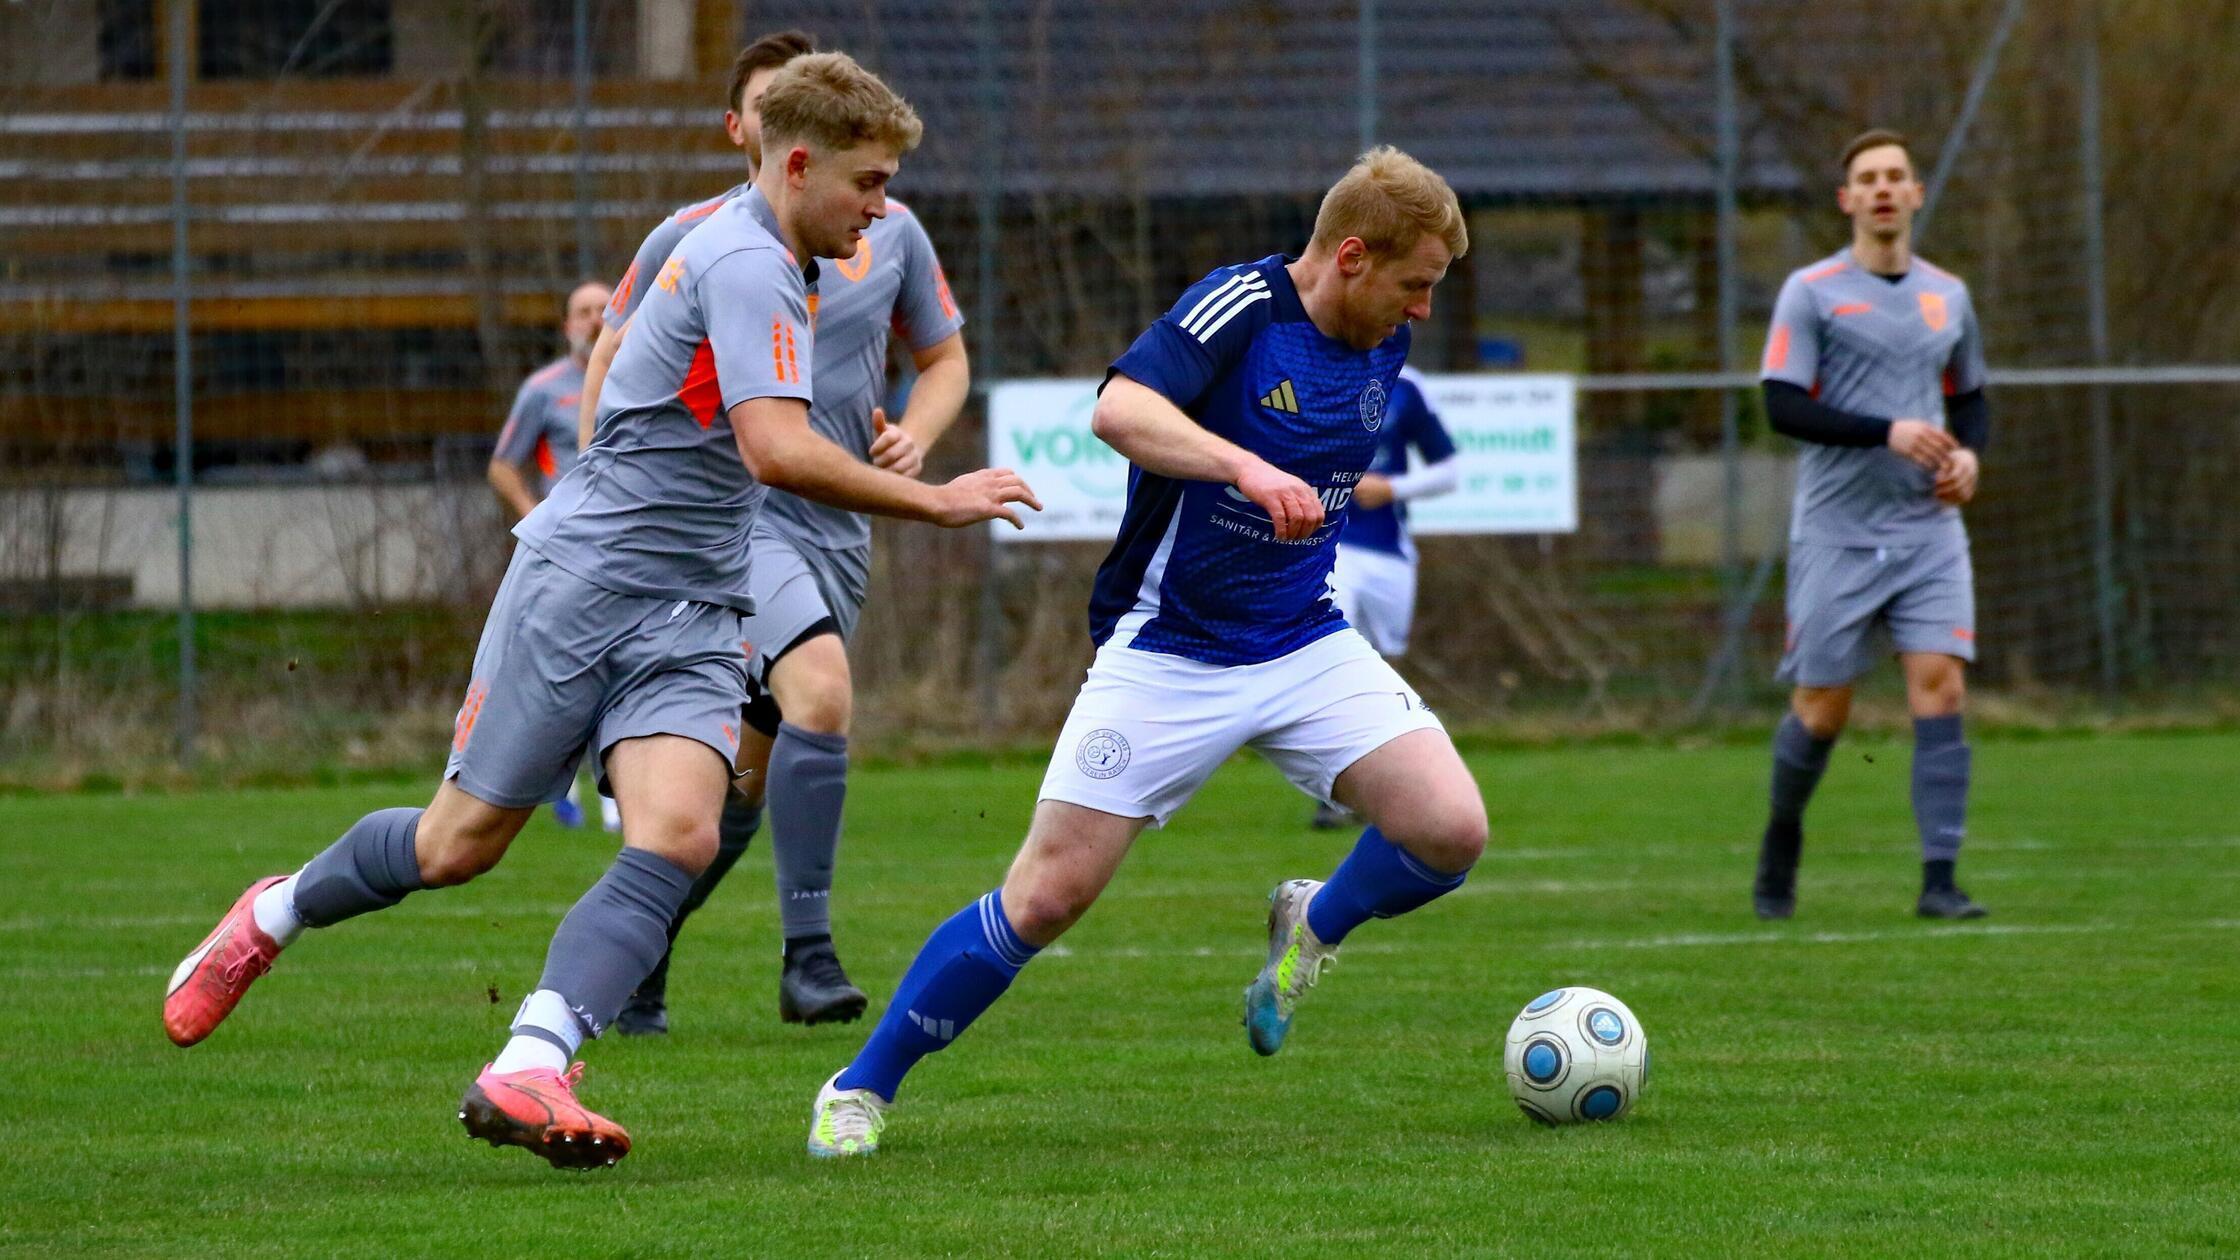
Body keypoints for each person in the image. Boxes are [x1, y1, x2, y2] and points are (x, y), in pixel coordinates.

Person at [161, 53, 1039, 1172]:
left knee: (677, 833)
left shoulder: (782, 253)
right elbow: (772, 449)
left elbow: (642, 359)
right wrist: (934, 498)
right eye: (867, 183)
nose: (882, 207)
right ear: (799, 163)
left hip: (692, 605)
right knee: (457, 846)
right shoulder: (740, 258)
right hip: (581, 589)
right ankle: (275, 913)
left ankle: (531, 1060)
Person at [804, 147, 1488, 1159]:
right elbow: (1117, 409)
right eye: (1414, 284)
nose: (1422, 311)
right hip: (1169, 648)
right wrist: (1241, 466)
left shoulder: (1381, 345)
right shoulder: (1239, 307)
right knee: (1045, 896)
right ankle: (859, 1088)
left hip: (1303, 639)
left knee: (1449, 830)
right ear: (1349, 255)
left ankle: (1314, 928)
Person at [577, 30, 972, 1035]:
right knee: (823, 691)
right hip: (736, 518)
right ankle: (809, 956)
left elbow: (942, 360)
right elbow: (613, 361)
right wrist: (596, 496)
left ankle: (638, 955)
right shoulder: (695, 238)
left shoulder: (886, 230)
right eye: (763, 107)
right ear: (752, 134)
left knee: (737, 793)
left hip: (838, 523)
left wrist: (912, 441)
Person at [1752, 127, 1991, 922]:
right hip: (1837, 530)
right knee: (1825, 708)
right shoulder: (1812, 290)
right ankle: (1781, 839)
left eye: (1897, 175)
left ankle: (1940, 881)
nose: (1884, 188)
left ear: (1916, 195)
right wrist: (1887, 430)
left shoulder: (1948, 295)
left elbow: (1970, 399)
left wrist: (1970, 459)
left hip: (1927, 529)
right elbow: (1781, 404)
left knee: (1941, 685)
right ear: (1847, 200)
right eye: (1869, 178)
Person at [487, 280, 618, 831]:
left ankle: (616, 795)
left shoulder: (644, 377)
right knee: (560, 673)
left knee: (619, 668)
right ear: (568, 326)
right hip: (566, 553)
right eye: (582, 311)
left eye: (602, 310)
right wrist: (533, 517)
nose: (593, 319)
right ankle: (549, 785)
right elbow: (502, 465)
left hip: (631, 546)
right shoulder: (543, 389)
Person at [1313, 364, 1458, 827]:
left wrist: (1391, 487)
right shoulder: (1306, 367)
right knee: (1334, 659)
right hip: (1330, 547)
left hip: (1390, 554)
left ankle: (1386, 783)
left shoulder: (1408, 385)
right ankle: (1336, 793)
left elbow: (1448, 471)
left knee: (1384, 668)